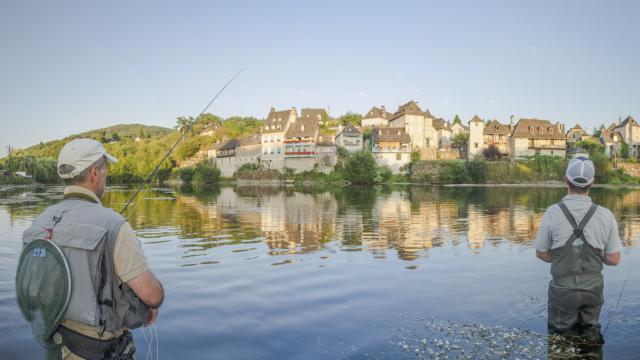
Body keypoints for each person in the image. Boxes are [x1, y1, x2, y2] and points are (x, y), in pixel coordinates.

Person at [21, 138, 164, 359]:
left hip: (55, 348)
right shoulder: (114, 224)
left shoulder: (39, 223)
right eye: (106, 168)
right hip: (99, 352)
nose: (106, 174)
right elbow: (152, 295)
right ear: (95, 173)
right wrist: (153, 304)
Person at [534, 156, 621, 349]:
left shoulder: (552, 212)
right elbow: (614, 259)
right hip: (593, 292)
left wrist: (558, 258)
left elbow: (541, 253)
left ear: (566, 179)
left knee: (560, 340)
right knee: (591, 336)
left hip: (562, 293)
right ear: (592, 183)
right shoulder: (606, 215)